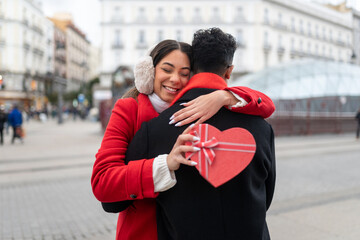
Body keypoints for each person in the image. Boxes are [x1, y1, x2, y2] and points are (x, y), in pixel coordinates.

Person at [91, 39, 275, 240]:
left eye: (184, 73)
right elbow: (103, 182)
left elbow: (265, 104)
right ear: (149, 71)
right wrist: (163, 165)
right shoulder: (129, 109)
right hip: (144, 231)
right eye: (167, 70)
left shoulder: (201, 107)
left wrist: (226, 96)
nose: (175, 79)